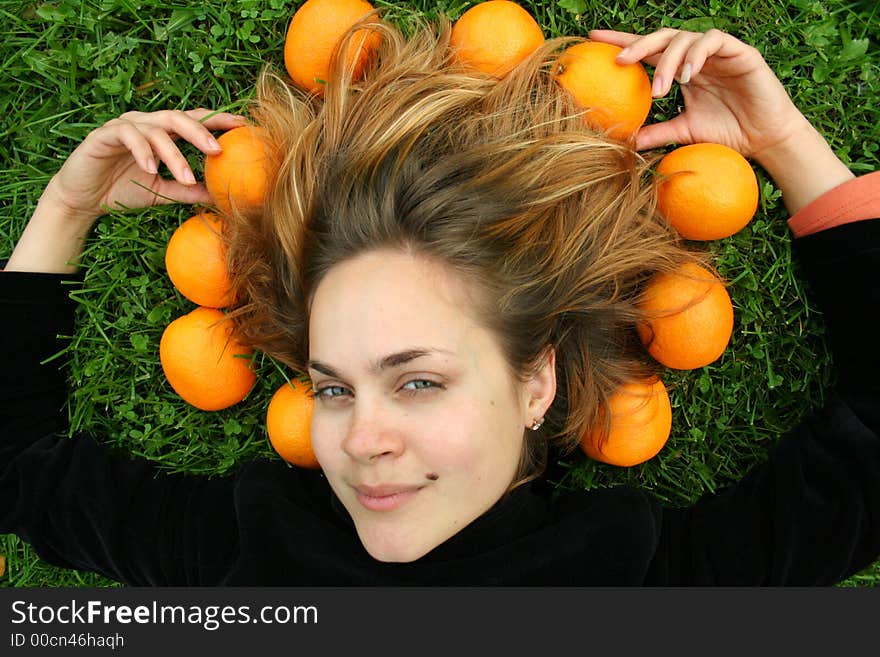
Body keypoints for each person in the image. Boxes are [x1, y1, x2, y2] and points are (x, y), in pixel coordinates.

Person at [1, 17, 878, 585]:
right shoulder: (248, 552)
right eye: (333, 386)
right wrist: (67, 205)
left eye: (416, 379)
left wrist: (784, 140)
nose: (359, 438)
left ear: (537, 383)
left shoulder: (632, 575)